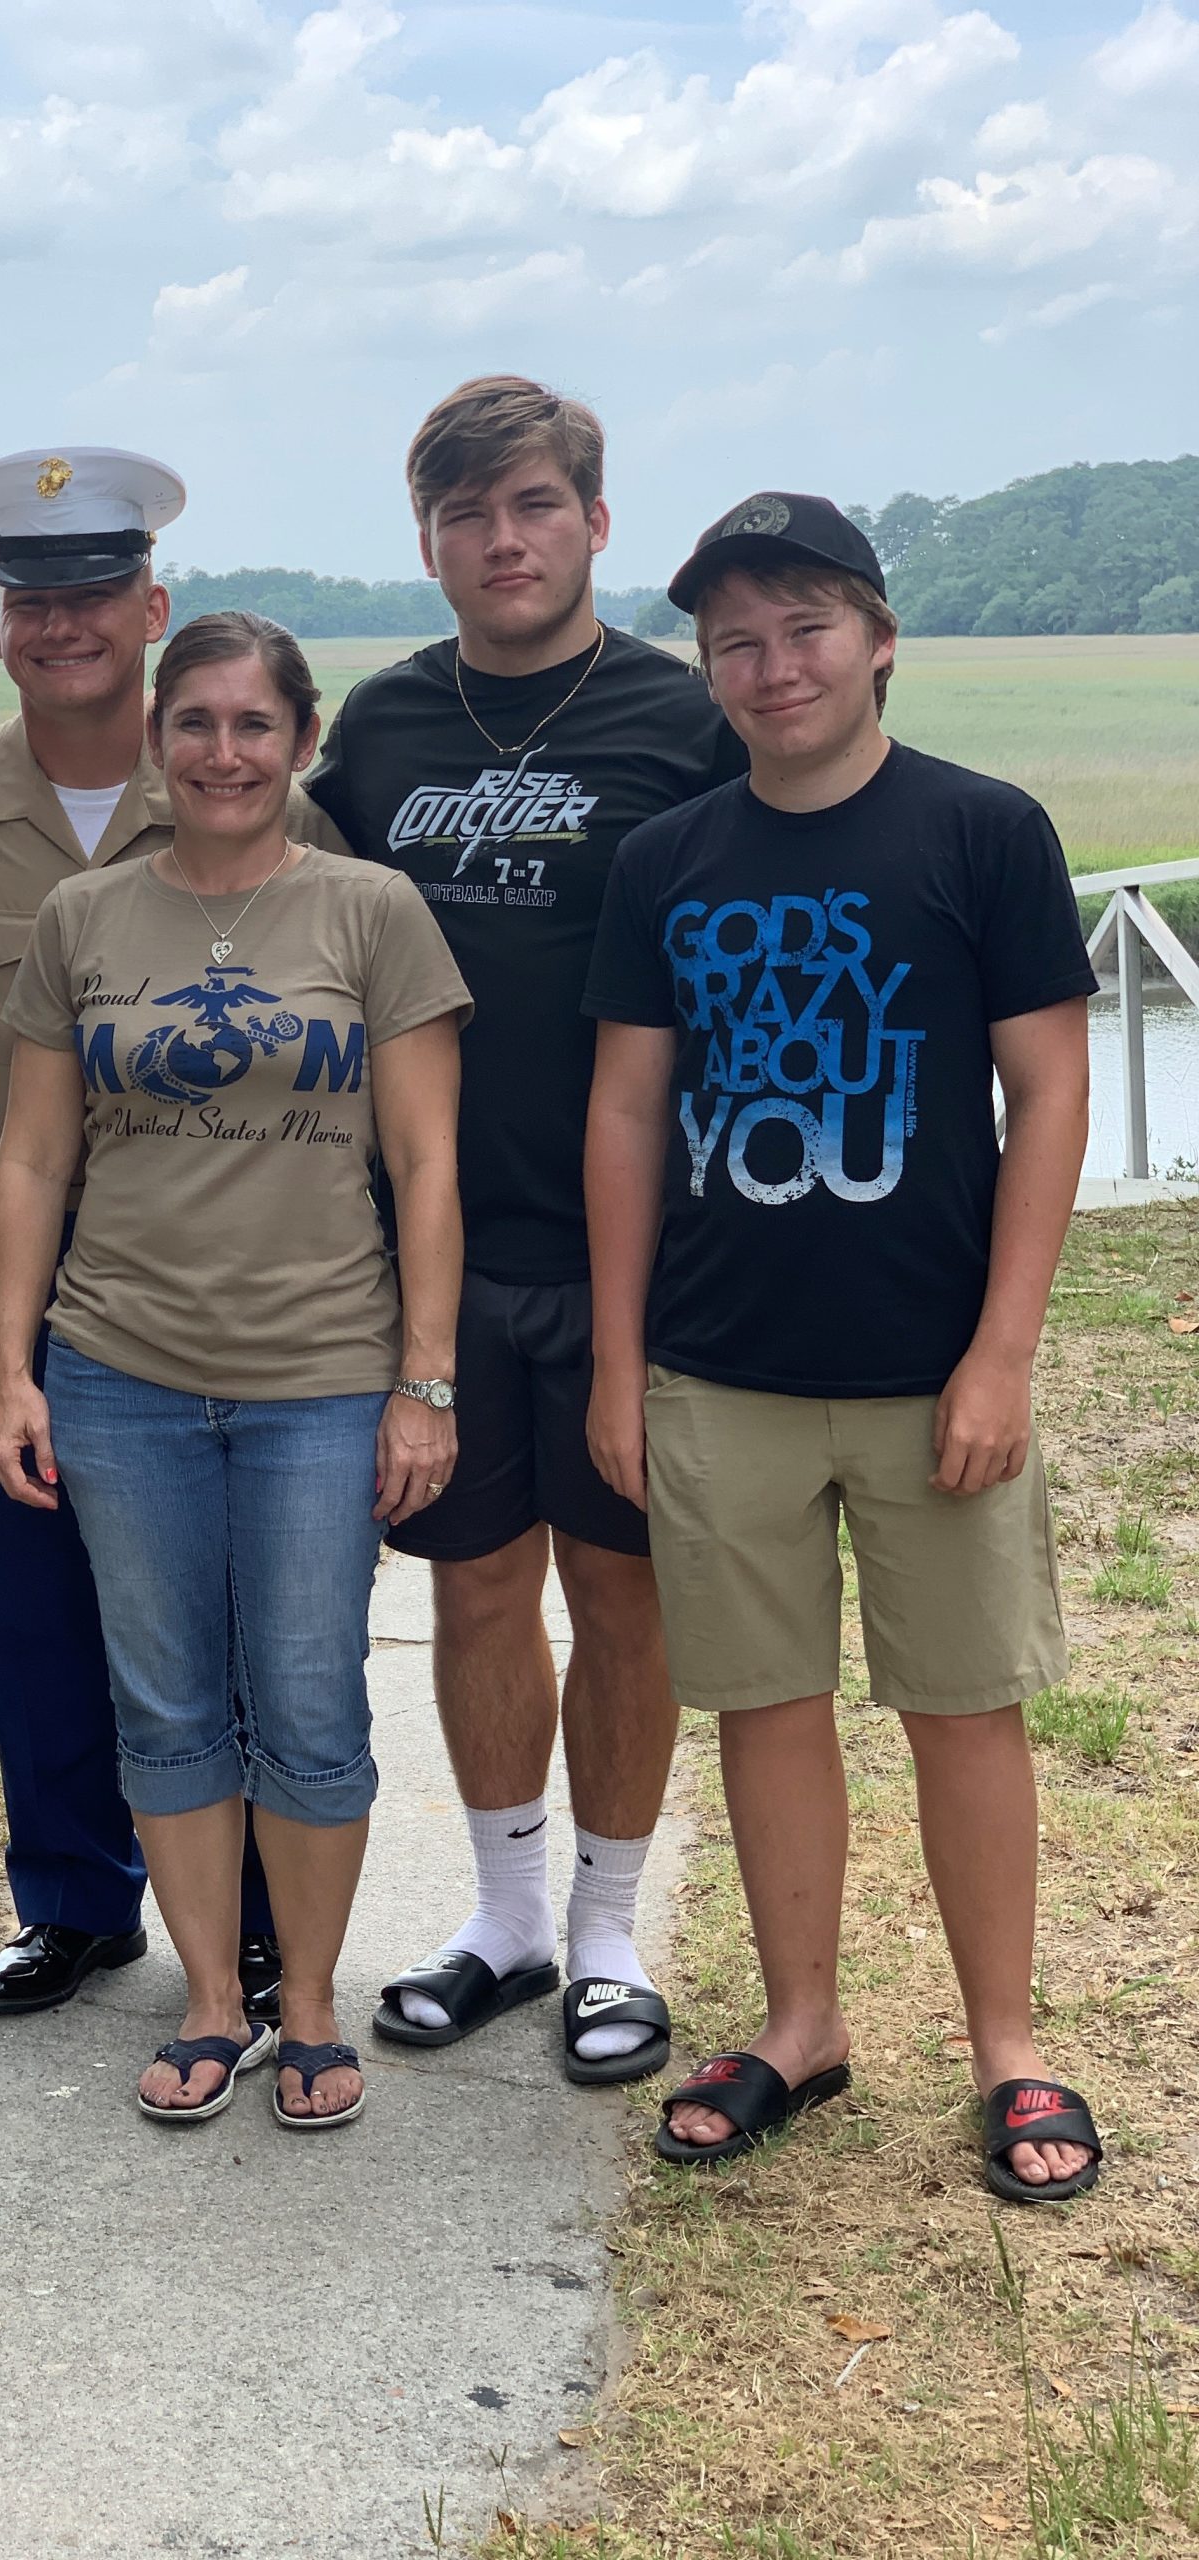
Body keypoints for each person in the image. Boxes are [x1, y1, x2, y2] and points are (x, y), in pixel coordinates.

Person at [582, 491, 1102, 2202]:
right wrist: (618, 1359)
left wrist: (1004, 1353)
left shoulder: (982, 833)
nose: (771, 663)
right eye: (736, 638)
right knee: (767, 1704)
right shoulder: (667, 860)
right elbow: (629, 1112)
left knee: (963, 1705)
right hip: (720, 1367)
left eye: (805, 627)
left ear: (879, 639)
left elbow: (1049, 1094)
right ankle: (802, 2022)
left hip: (930, 1361)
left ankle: (1009, 2044)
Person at [303, 376, 747, 2080]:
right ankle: (501, 1917)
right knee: (480, 1591)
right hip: (434, 1255)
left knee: (621, 1599)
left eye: (537, 506)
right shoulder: (386, 730)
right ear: (426, 542)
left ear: (595, 522)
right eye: (469, 515)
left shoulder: (679, 716)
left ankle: (612, 1931)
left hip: (642, 1250)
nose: (505, 541)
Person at [0, 612, 469, 2129]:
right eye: (193, 723)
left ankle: (308, 2005)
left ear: (301, 743)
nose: (223, 753)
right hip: (121, 1370)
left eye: (254, 725)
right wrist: (15, 1369)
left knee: (311, 1698)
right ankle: (210, 2001)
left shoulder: (370, 911)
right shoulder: (83, 919)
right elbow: (33, 1156)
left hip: (322, 1375)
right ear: (155, 740)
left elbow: (426, 1158)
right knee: (168, 1699)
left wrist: (425, 1380)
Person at [0, 451, 339, 2023]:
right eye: (34, 599)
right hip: (21, 1252)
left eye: (94, 595)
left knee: (229, 1610)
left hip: (222, 1252)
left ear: (151, 605)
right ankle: (74, 1901)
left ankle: (265, 1913)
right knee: (37, 1606)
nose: (65, 625)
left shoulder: (244, 782)